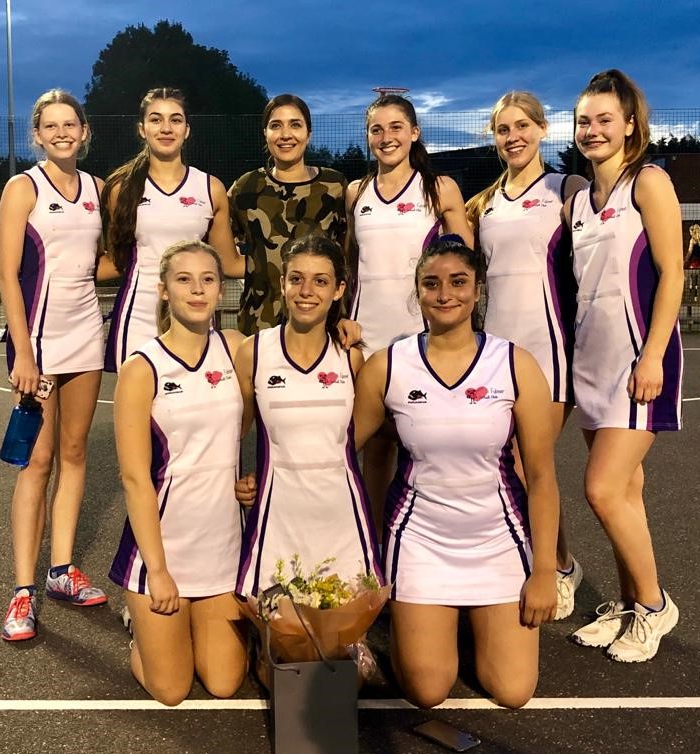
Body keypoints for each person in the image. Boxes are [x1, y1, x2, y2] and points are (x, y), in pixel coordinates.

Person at [350, 238, 560, 708]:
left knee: (513, 692)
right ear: (418, 293)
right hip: (420, 541)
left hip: (498, 540)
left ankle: (471, 621)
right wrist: (263, 477)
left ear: (478, 289)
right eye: (432, 283)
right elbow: (339, 451)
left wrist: (544, 570)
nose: (445, 294)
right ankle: (435, 621)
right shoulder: (388, 366)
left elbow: (543, 477)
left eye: (458, 282)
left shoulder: (514, 363)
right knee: (427, 692)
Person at [565, 69, 683, 662]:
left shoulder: (649, 182)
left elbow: (673, 273)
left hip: (637, 360)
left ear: (631, 123)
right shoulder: (578, 201)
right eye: (584, 120)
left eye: (605, 119)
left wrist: (654, 353)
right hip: (590, 361)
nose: (593, 129)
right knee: (627, 491)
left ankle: (656, 606)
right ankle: (628, 601)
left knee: (603, 489)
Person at [465, 91, 587, 620]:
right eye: (502, 129)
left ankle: (557, 566)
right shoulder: (483, 203)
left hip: (549, 349)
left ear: (542, 129)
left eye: (522, 126)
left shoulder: (569, 189)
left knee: (526, 463)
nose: (512, 136)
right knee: (501, 463)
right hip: (497, 352)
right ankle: (550, 557)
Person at [109, 241, 247, 704]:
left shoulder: (235, 348)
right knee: (171, 691)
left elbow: (300, 353)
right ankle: (140, 629)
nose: (197, 289)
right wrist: (159, 570)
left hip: (222, 547)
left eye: (208, 279)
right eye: (183, 279)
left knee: (226, 683)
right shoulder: (141, 367)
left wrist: (343, 328)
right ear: (164, 290)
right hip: (163, 547)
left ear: (220, 290)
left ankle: (173, 631)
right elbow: (134, 479)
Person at [0, 89, 107, 642]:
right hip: (37, 341)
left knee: (75, 451)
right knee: (36, 464)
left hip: (87, 334)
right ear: (37, 136)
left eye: (71, 124)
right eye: (52, 126)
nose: (63, 133)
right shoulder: (23, 188)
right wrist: (23, 352)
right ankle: (22, 591)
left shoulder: (97, 189)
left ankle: (61, 571)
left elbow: (101, 262)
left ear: (84, 132)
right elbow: (6, 274)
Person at [346, 93, 473, 532]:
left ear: (415, 132)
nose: (387, 137)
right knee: (375, 451)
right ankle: (377, 549)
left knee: (428, 449)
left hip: (422, 341)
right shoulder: (355, 192)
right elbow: (351, 265)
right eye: (377, 129)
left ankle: (433, 543)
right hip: (366, 341)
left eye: (396, 127)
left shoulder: (439, 189)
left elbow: (468, 266)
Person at [234, 234, 382, 596]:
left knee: (341, 636)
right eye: (296, 278)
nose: (306, 291)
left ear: (338, 289)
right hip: (277, 516)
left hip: (340, 514)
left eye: (320, 281)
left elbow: (350, 439)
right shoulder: (253, 351)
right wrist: (238, 480)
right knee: (279, 638)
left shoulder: (351, 357)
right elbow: (233, 432)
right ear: (282, 283)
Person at [101, 87, 242, 372]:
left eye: (175, 120)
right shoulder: (121, 189)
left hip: (196, 311)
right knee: (137, 410)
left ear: (187, 130)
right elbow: (115, 261)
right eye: (156, 120)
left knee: (195, 406)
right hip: (139, 312)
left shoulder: (210, 188)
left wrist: (282, 264)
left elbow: (228, 262)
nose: (166, 128)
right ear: (142, 129)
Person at [229, 94, 348, 335]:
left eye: (295, 124)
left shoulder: (335, 186)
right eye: (276, 125)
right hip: (259, 327)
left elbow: (346, 258)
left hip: (322, 327)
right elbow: (223, 254)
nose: (285, 135)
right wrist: (259, 265)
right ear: (265, 133)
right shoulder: (246, 187)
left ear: (309, 133)